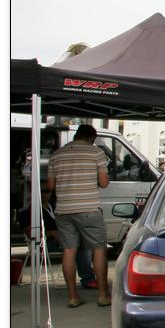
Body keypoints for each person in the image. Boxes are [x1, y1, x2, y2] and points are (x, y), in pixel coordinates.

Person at [47, 124, 111, 307]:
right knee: (99, 249)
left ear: (76, 135)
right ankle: (102, 295)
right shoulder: (96, 153)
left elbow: (50, 186)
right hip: (89, 209)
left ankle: (73, 297)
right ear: (92, 137)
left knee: (69, 251)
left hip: (64, 210)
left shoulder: (57, 155)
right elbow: (104, 183)